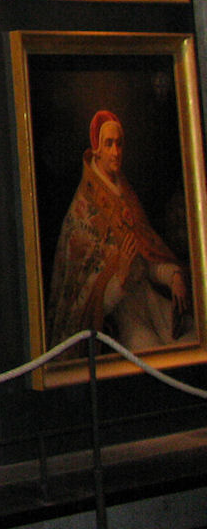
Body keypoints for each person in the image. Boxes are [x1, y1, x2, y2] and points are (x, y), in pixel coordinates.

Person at [45, 110, 194, 351]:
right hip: (125, 320)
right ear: (97, 149)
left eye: (119, 144)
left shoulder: (126, 196)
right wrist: (121, 276)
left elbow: (148, 260)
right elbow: (89, 309)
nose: (115, 152)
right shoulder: (83, 214)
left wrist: (173, 276)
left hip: (153, 305)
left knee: (194, 336)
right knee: (150, 351)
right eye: (109, 144)